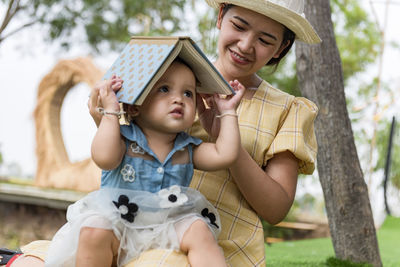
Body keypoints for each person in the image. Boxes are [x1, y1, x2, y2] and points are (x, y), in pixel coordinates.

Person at [3, 0, 321, 266]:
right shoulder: (163, 79)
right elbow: (121, 150)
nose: (246, 45)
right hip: (131, 224)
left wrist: (226, 131)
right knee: (37, 259)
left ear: (283, 47)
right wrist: (106, 116)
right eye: (239, 25)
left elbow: (276, 208)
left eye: (266, 40)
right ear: (221, 16)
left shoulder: (288, 109)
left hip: (210, 243)